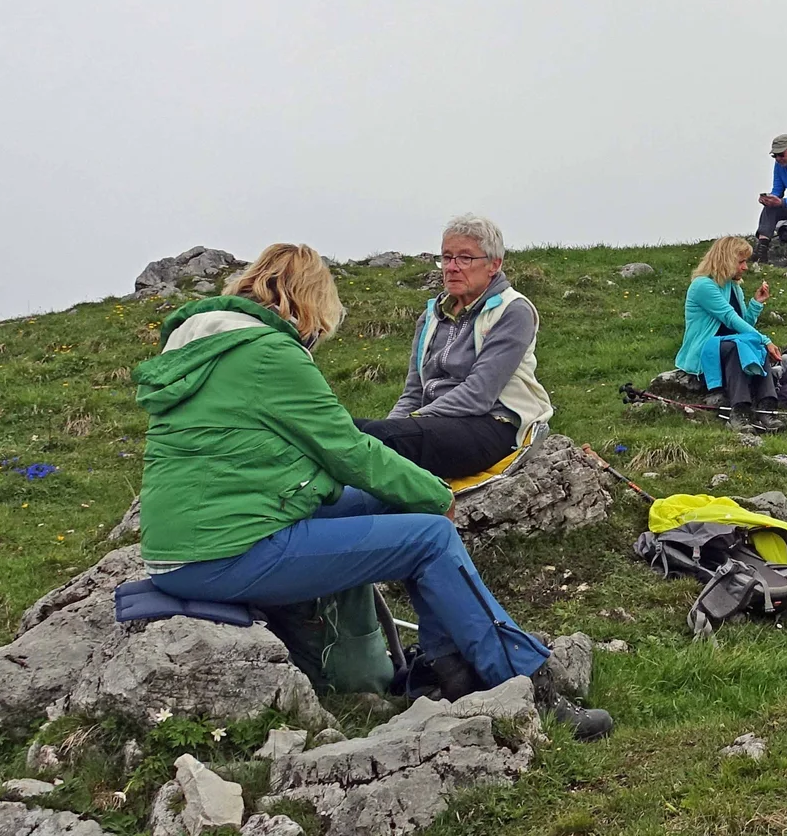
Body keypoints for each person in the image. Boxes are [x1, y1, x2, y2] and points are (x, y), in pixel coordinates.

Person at [135, 243, 611, 737]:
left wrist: (405, 492)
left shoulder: (202, 347)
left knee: (396, 502)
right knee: (431, 536)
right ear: (308, 300)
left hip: (201, 537)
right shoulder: (268, 354)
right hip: (227, 551)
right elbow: (350, 450)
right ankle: (524, 685)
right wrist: (436, 495)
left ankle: (446, 667)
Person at [355, 215, 553, 481]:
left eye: (465, 258)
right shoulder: (430, 316)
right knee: (349, 432)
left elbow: (478, 394)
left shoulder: (513, 311)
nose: (452, 267)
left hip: (494, 424)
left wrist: (406, 424)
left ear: (494, 264)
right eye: (446, 257)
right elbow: (414, 391)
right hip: (433, 423)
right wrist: (396, 423)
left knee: (379, 438)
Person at [676, 236, 787, 433]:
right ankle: (739, 411)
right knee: (740, 345)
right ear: (726, 260)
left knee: (751, 343)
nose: (745, 267)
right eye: (741, 261)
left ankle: (767, 408)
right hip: (705, 352)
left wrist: (756, 304)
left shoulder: (733, 287)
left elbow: (742, 325)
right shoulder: (703, 285)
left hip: (731, 346)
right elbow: (729, 318)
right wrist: (766, 340)